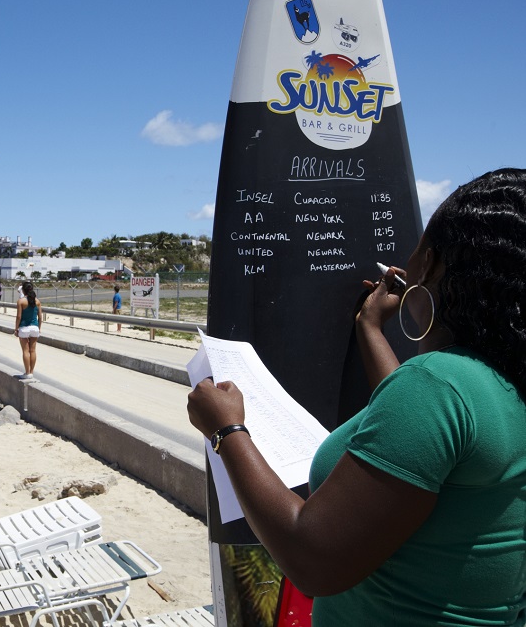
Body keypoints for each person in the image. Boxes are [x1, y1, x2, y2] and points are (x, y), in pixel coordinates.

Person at [184, 168, 526, 624]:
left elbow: (313, 560)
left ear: (431, 262)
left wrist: (226, 430)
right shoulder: (492, 379)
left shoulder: (437, 385)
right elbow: (419, 440)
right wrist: (370, 329)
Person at [14, 281, 42, 379]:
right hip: (35, 328)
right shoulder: (37, 301)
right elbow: (40, 317)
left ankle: (27, 373)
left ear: (23, 290)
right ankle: (31, 372)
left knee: (26, 351)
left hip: (24, 328)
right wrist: (39, 328)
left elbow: (18, 316)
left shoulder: (21, 301)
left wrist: (16, 329)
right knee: (33, 351)